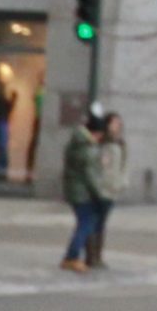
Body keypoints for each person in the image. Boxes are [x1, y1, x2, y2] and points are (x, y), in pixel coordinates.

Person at [61, 103, 116, 273]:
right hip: (82, 193)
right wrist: (100, 194)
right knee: (85, 224)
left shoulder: (77, 143)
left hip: (75, 190)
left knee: (84, 223)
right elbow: (91, 176)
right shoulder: (88, 149)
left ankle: (73, 256)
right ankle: (72, 256)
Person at [90, 112, 129, 268]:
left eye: (119, 123)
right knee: (96, 223)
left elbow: (122, 165)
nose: (117, 125)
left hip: (113, 188)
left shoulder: (120, 143)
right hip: (102, 188)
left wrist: (122, 182)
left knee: (101, 223)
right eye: (114, 123)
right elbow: (102, 167)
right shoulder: (103, 143)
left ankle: (97, 255)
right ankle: (92, 256)